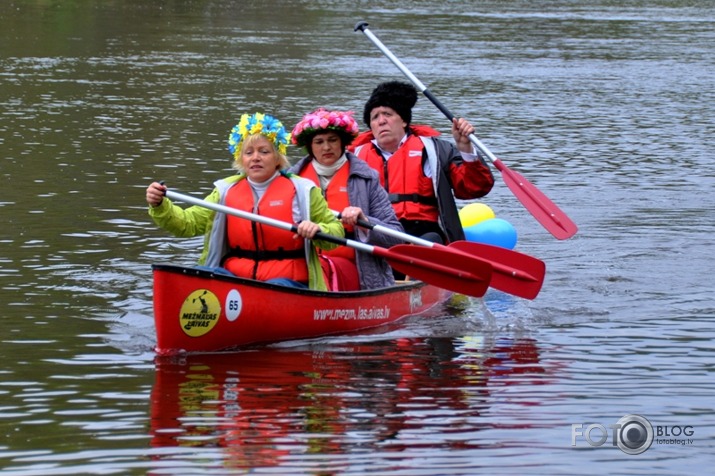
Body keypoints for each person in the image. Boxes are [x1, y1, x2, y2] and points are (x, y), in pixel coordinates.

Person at [145, 112, 344, 291]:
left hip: (286, 283)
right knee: (199, 277)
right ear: (241, 159)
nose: (255, 158)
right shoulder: (224, 192)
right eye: (249, 153)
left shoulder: (303, 190)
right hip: (235, 279)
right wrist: (160, 205)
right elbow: (187, 225)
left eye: (264, 152)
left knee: (275, 287)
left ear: (277, 158)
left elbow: (336, 229)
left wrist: (317, 229)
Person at [351, 80, 495, 244]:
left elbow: (474, 188)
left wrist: (465, 148)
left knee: (431, 239)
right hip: (377, 231)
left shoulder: (436, 150)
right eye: (375, 117)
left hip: (425, 232)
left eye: (388, 114)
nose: (381, 121)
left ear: (404, 121)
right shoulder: (354, 157)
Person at [289, 108, 404, 290]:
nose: (326, 147)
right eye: (319, 142)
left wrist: (364, 221)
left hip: (354, 269)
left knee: (322, 270)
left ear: (343, 143)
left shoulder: (366, 178)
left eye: (332, 140)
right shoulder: (291, 180)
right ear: (310, 147)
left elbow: (396, 238)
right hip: (301, 264)